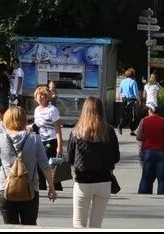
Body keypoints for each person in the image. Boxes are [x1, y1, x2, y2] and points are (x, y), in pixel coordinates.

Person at [0, 105, 54, 224]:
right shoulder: (34, 139)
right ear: (24, 120)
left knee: (10, 226)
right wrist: (51, 187)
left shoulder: (0, 139)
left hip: (5, 189)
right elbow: (44, 165)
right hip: (30, 190)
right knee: (29, 225)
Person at [65, 96, 121, 228]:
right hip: (104, 181)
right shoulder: (109, 131)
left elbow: (70, 159)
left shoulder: (76, 132)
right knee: (96, 224)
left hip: (83, 182)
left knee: (79, 223)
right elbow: (116, 157)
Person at [31, 86, 63, 192]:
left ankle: (56, 187)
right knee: (38, 164)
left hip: (51, 140)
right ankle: (42, 187)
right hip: (39, 140)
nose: (40, 97)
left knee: (50, 165)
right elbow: (36, 126)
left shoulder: (52, 110)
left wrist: (59, 146)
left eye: (42, 95)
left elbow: (58, 129)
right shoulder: (37, 110)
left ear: (47, 97)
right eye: (38, 96)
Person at [135, 102, 164, 194]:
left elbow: (138, 137)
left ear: (150, 110)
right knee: (161, 178)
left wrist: (146, 138)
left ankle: (142, 195)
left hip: (148, 151)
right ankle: (161, 196)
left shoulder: (144, 120)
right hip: (161, 152)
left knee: (146, 177)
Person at [117, 69, 139, 134]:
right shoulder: (133, 82)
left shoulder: (122, 81)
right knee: (133, 115)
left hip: (124, 99)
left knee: (125, 114)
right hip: (132, 100)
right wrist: (138, 99)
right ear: (132, 75)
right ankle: (132, 129)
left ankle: (121, 125)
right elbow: (135, 93)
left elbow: (120, 91)